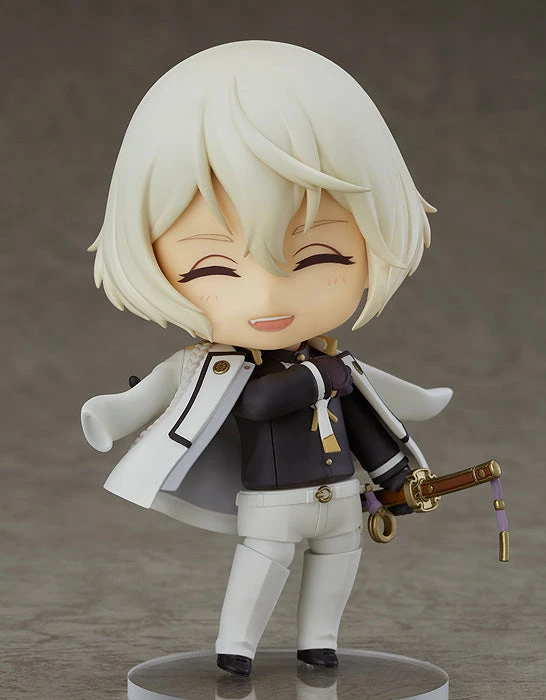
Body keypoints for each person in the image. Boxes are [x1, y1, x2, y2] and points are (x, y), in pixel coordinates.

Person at [81, 41, 449, 677]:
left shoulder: (337, 368)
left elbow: (370, 420)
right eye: (213, 267)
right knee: (262, 565)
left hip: (341, 497)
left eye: (318, 257)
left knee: (338, 563)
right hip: (271, 504)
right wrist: (111, 415)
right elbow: (250, 402)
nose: (268, 297)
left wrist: (396, 481)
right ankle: (236, 648)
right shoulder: (262, 370)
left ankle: (319, 642)